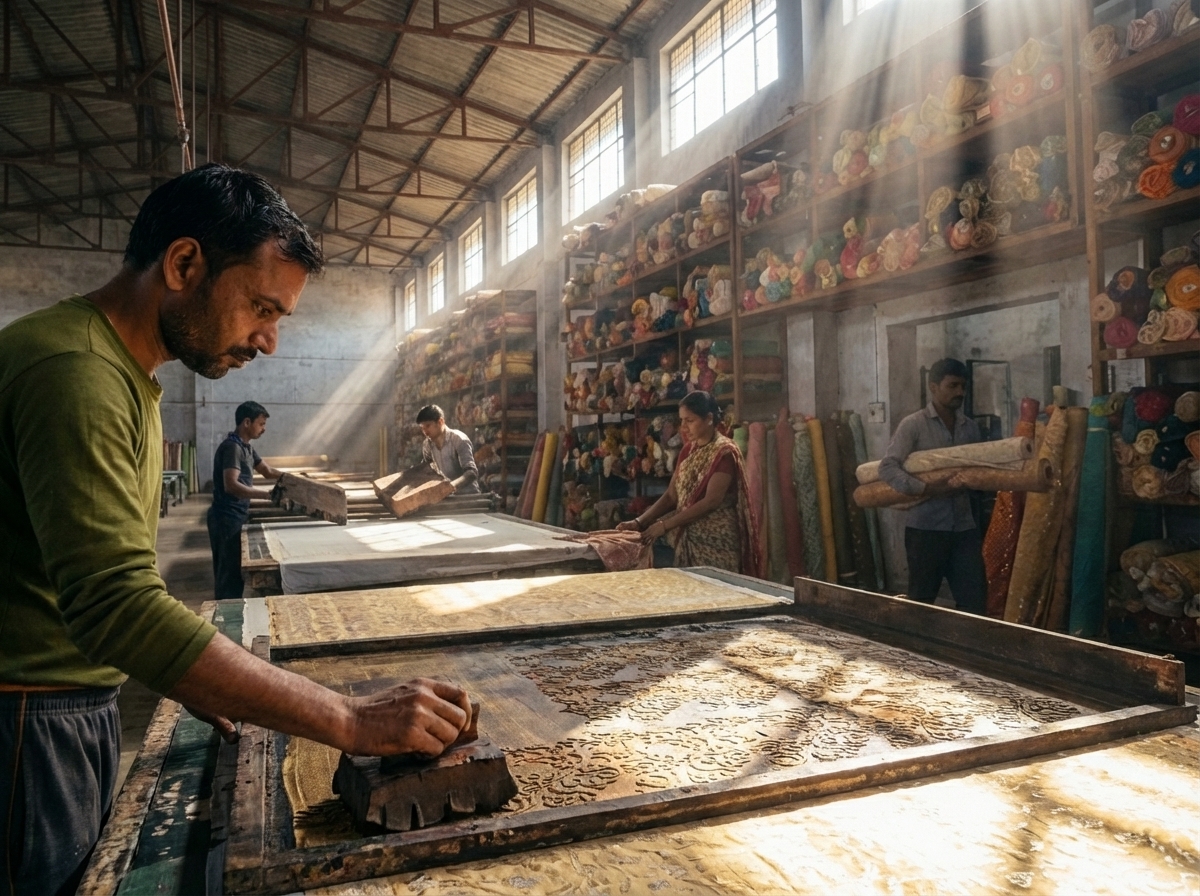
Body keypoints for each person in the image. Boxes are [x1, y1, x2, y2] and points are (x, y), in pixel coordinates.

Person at [0, 164, 471, 896]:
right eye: (261, 306)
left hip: (62, 699)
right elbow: (113, 603)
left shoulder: (119, 372)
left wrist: (190, 670)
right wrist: (346, 717)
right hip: (25, 718)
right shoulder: (77, 373)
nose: (271, 340)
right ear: (185, 264)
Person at [878, 357, 987, 614]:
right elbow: (887, 467)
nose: (960, 392)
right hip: (926, 530)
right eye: (952, 386)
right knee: (921, 602)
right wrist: (925, 488)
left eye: (963, 386)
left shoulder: (970, 428)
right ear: (933, 387)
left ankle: (962, 654)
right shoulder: (913, 425)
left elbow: (977, 472)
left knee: (975, 601)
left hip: (964, 529)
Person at [616, 391, 759, 574]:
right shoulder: (687, 451)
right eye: (682, 420)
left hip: (717, 542)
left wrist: (665, 525)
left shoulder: (724, 453)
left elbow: (711, 501)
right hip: (686, 535)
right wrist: (638, 522)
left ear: (708, 419)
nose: (683, 427)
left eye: (689, 421)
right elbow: (670, 496)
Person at [207, 400, 283, 600]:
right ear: (246, 422)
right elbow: (230, 485)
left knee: (234, 572)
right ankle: (225, 618)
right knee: (228, 574)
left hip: (237, 515)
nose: (263, 429)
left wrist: (290, 479)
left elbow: (266, 471)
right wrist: (267, 495)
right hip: (225, 518)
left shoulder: (246, 447)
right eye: (261, 424)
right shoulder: (233, 448)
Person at [416, 404, 480, 494]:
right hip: (447, 498)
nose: (425, 432)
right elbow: (428, 471)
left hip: (468, 496)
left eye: (428, 426)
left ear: (440, 422)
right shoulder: (427, 444)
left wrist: (451, 486)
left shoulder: (459, 439)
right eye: (422, 428)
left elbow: (471, 473)